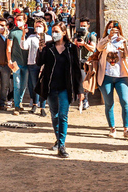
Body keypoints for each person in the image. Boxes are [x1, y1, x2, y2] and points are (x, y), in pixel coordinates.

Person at [37, 22, 83, 157]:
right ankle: (58, 139)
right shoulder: (48, 46)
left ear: (64, 32)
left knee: (63, 115)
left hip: (65, 87)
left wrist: (80, 90)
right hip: (50, 86)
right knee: (55, 115)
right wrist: (40, 50)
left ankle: (61, 145)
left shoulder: (72, 48)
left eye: (57, 31)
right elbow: (40, 62)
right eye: (53, 31)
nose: (54, 33)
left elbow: (76, 70)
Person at [97, 21, 128, 139]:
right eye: (110, 28)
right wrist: (108, 38)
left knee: (125, 102)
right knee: (109, 103)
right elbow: (99, 48)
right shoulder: (103, 40)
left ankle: (126, 129)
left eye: (115, 28)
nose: (113, 30)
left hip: (121, 76)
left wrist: (124, 42)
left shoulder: (122, 40)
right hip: (106, 76)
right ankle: (112, 128)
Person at [20, 17, 50, 116]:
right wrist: (23, 35)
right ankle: (34, 104)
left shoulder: (49, 38)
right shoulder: (31, 37)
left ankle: (42, 106)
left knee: (43, 85)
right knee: (34, 85)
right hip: (32, 63)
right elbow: (24, 47)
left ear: (44, 27)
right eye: (36, 26)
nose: (38, 28)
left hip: (44, 64)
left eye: (40, 26)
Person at [7, 13, 28, 115]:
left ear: (25, 20)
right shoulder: (12, 32)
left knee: (23, 85)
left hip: (27, 63)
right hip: (16, 63)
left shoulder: (30, 32)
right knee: (17, 85)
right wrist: (9, 60)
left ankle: (19, 102)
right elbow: (9, 47)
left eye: (20, 19)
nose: (18, 21)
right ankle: (16, 106)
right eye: (17, 19)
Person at [73, 17, 97, 110]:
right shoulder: (77, 35)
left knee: (85, 81)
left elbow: (93, 48)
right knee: (78, 81)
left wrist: (84, 44)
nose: (82, 27)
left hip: (87, 61)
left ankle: (85, 100)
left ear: (88, 26)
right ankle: (80, 99)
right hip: (77, 60)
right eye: (81, 26)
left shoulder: (91, 36)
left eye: (84, 26)